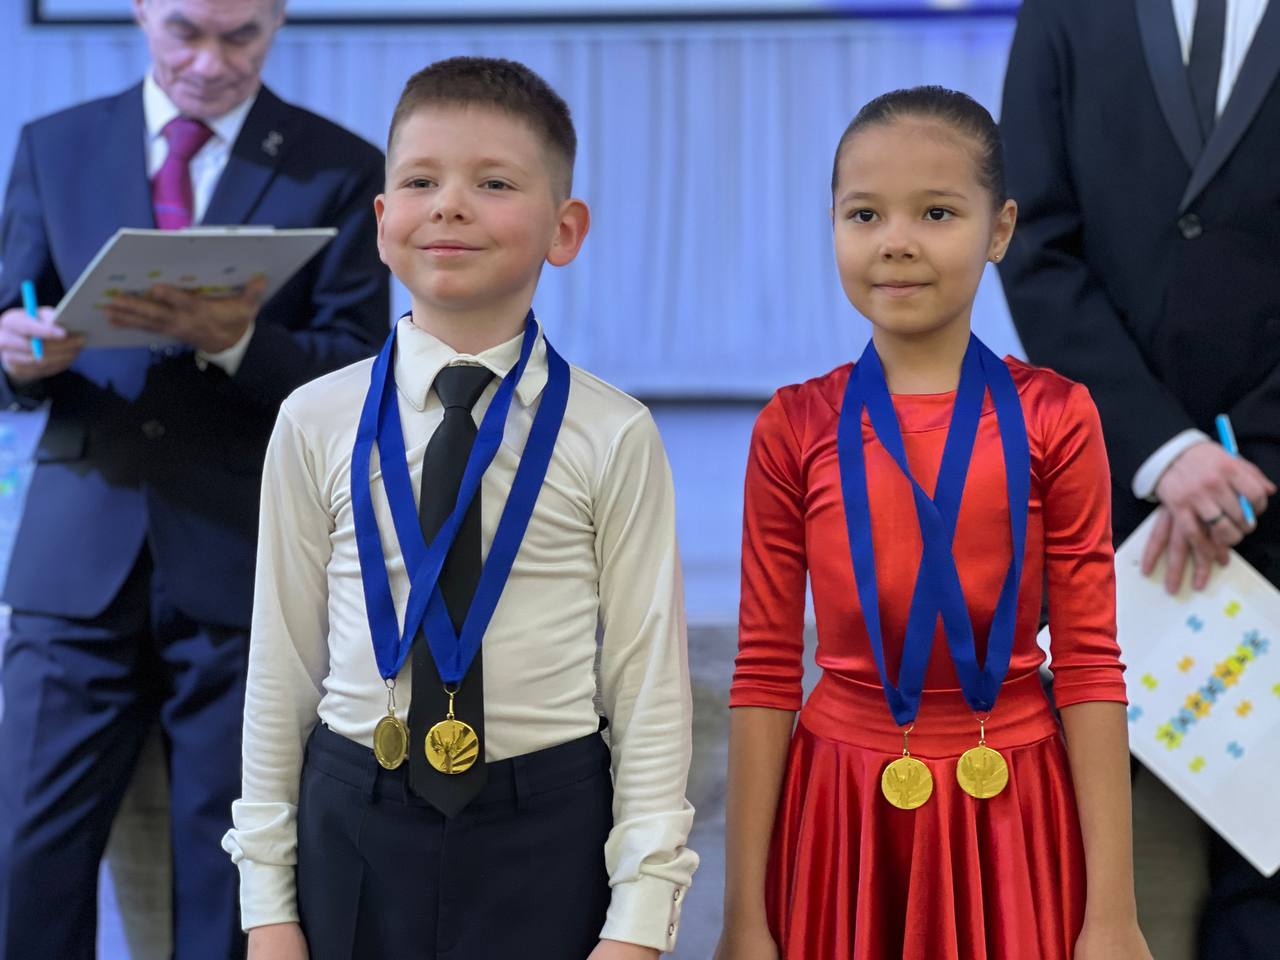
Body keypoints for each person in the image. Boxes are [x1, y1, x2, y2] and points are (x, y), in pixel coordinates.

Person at [222, 57, 698, 960]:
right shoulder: (315, 419)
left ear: (565, 229)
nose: (449, 206)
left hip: (546, 827)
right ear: (381, 222)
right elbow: (280, 665)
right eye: (420, 182)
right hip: (353, 823)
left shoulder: (611, 431)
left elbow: (647, 682)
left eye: (494, 183)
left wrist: (640, 918)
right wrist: (267, 907)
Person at [715, 87, 1151, 960]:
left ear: (999, 230)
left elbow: (1090, 666)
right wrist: (744, 919)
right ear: (833, 226)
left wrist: (1113, 915)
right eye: (864, 214)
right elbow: (764, 673)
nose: (897, 240)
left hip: (1014, 800)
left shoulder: (1057, 417)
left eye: (937, 212)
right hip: (841, 807)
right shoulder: (795, 426)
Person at [0, 0, 388, 955]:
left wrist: (242, 342)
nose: (210, 61)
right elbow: (14, 311)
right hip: (75, 560)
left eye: (240, 35)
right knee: (24, 855)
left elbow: (358, 374)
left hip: (243, 561)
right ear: (141, 11)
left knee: (234, 866)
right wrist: (17, 353)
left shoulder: (339, 166)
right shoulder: (55, 144)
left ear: (278, 20)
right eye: (185, 31)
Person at [997, 2, 1279, 956]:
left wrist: (1251, 457)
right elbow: (1033, 237)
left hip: (1271, 488)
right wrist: (1164, 449)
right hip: (1102, 501)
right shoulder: (1064, 12)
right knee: (1070, 871)